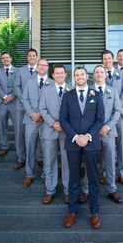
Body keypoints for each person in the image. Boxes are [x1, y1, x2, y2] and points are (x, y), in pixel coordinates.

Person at [60, 67, 104, 229]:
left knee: (93, 179)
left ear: (87, 77)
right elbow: (63, 119)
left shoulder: (97, 95)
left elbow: (100, 119)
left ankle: (95, 212)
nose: (79, 77)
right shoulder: (67, 95)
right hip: (73, 142)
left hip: (91, 142)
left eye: (82, 74)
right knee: (73, 178)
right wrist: (76, 137)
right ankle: (72, 212)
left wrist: (87, 136)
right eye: (77, 75)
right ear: (74, 77)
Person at [81, 65, 123, 205]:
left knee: (110, 162)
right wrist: (93, 129)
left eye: (101, 72)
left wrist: (107, 126)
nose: (99, 74)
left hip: (108, 132)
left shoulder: (113, 91)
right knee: (89, 163)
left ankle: (112, 189)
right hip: (92, 133)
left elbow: (117, 111)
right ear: (93, 76)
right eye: (96, 72)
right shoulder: (88, 91)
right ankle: (86, 190)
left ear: (105, 74)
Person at [39, 64, 71, 205]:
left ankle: (67, 191)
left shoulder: (72, 89)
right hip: (49, 130)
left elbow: (76, 110)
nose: (59, 75)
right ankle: (50, 191)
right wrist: (53, 123)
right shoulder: (46, 90)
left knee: (67, 163)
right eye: (56, 73)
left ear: (65, 74)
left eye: (61, 73)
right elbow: (42, 109)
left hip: (67, 131)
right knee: (49, 162)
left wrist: (64, 124)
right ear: (52, 75)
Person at [22, 58, 53, 187]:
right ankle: (29, 174)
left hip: (46, 121)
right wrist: (32, 114)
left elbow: (53, 102)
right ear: (37, 67)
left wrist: (41, 114)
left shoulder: (52, 83)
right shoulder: (29, 82)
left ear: (47, 67)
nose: (41, 67)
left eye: (44, 65)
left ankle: (46, 174)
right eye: (39, 65)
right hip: (31, 120)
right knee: (30, 148)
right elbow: (25, 99)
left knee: (47, 149)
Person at [101, 49, 123, 185]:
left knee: (120, 146)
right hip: (106, 119)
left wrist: (116, 105)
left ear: (113, 59)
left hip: (120, 114)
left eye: (109, 58)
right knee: (107, 147)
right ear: (102, 61)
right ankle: (105, 173)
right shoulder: (100, 74)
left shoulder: (121, 74)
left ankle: (122, 173)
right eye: (104, 59)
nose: (107, 61)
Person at [14, 48, 38, 170]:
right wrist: (23, 99)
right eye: (30, 56)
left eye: (34, 56)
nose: (32, 58)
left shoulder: (40, 70)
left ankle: (39, 157)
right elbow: (16, 86)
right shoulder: (20, 70)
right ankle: (20, 158)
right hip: (21, 106)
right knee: (20, 132)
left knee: (35, 133)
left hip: (35, 109)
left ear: (36, 57)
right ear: (27, 57)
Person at [0, 51, 17, 157]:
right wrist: (5, 97)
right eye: (3, 58)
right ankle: (4, 146)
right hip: (2, 103)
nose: (5, 59)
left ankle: (19, 147)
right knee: (3, 126)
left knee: (18, 126)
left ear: (11, 59)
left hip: (14, 102)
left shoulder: (18, 71)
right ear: (1, 60)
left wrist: (11, 96)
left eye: (7, 57)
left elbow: (19, 85)